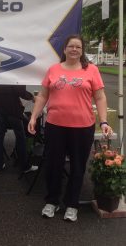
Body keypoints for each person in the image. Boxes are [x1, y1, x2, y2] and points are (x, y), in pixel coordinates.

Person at [28, 34, 113, 222]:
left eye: (78, 47)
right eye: (71, 46)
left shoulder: (91, 70)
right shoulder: (53, 69)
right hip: (55, 126)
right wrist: (34, 116)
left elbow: (100, 98)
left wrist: (104, 121)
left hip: (82, 128)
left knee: (77, 167)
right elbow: (42, 95)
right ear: (64, 49)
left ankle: (72, 204)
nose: (74, 49)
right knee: (53, 165)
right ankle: (52, 201)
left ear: (82, 51)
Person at [0, 85, 38, 173]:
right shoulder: (14, 73)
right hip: (13, 110)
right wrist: (32, 97)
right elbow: (20, 91)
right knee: (21, 138)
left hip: (0, 109)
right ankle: (24, 166)